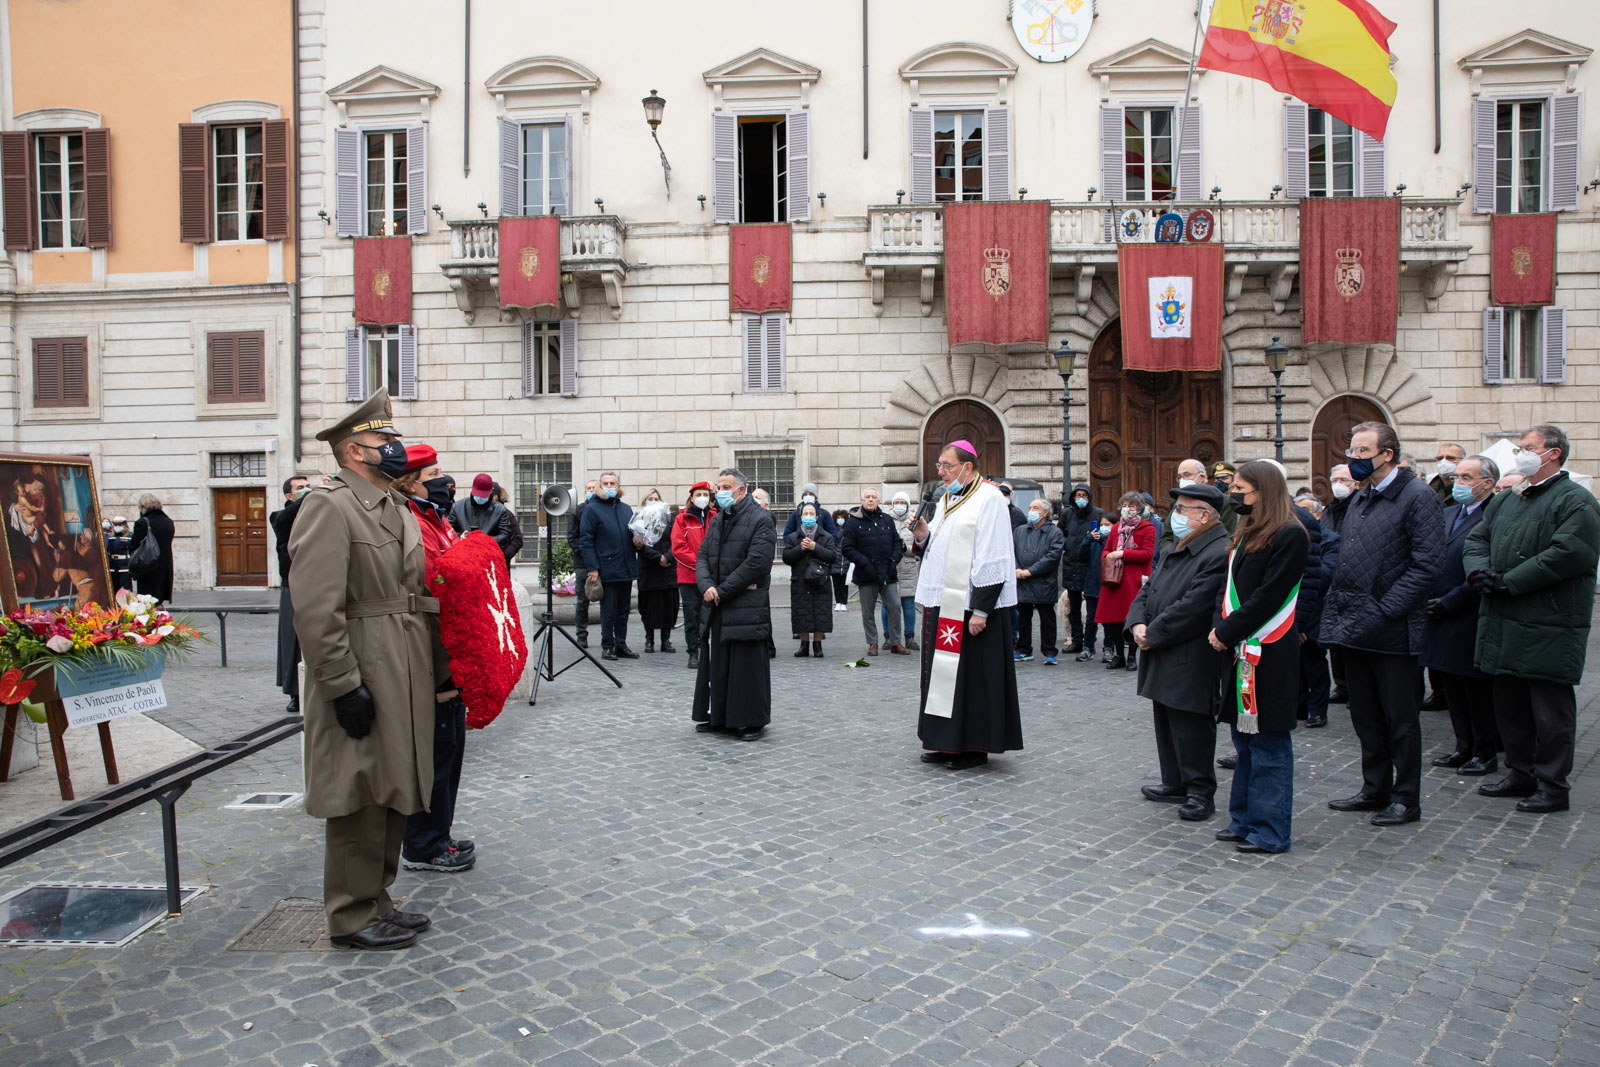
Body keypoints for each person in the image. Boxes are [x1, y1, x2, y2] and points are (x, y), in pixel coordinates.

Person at [289, 388, 444, 951]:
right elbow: (314, 605)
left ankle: (378, 898)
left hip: (403, 660)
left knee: (393, 782)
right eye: (386, 441)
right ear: (356, 451)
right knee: (358, 788)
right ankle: (350, 914)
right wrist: (340, 683)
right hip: (363, 661)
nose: (397, 449)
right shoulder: (329, 506)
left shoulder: (393, 504)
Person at [1465, 426, 1600, 814]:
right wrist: (1479, 573)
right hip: (1505, 619)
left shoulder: (1575, 500)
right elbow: (1477, 540)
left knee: (1550, 712)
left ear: (1553, 454)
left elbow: (1569, 553)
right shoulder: (1508, 499)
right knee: (1510, 707)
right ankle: (1520, 772)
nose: (1520, 454)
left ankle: (1553, 785)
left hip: (1550, 623)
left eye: (1528, 448)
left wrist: (1510, 582)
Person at [1321, 422, 1442, 827]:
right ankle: (1374, 788)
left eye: (1361, 451)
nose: (1353, 458)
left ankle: (1406, 798)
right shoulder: (1361, 497)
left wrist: (1385, 610)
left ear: (1386, 454)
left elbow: (1426, 567)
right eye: (1352, 450)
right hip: (1354, 627)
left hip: (1393, 630)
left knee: (1400, 720)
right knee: (1365, 715)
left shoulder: (1417, 496)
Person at [1208, 461, 1310, 854]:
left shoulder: (1289, 535)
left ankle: (1269, 829)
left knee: (1268, 743)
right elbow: (1229, 589)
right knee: (1244, 740)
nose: (1234, 495)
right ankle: (1243, 819)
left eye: (1240, 489)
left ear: (1263, 491)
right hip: (1238, 649)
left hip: (1269, 649)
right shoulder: (1247, 532)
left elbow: (1268, 596)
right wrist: (1221, 626)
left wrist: (1226, 631)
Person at [391, 444, 475, 875]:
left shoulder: (436, 517)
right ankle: (423, 843)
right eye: (434, 473)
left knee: (451, 746)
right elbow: (432, 573)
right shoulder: (408, 519)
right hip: (428, 647)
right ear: (411, 481)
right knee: (434, 750)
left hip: (449, 646)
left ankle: (439, 832)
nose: (444, 481)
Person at [911, 442, 1022, 769]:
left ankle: (973, 746)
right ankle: (944, 742)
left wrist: (982, 610)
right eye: (939, 465)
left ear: (967, 467)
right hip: (944, 602)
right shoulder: (948, 497)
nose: (940, 472)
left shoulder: (989, 499)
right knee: (942, 677)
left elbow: (995, 554)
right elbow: (943, 546)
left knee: (971, 679)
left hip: (971, 606)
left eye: (946, 465)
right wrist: (922, 535)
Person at [1127, 483, 1231, 821]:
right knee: (1167, 719)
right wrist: (1137, 622)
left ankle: (1200, 791)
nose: (1176, 515)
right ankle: (1175, 781)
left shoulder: (1217, 551)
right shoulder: (1181, 545)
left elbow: (1194, 607)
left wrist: (1153, 633)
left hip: (1190, 652)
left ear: (1203, 515)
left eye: (1183, 509)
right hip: (1162, 646)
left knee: (1191, 723)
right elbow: (1150, 588)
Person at [1419, 455, 1500, 776]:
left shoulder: (1496, 513)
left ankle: (1484, 751)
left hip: (1470, 612)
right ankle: (1462, 746)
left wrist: (1450, 602)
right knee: (1451, 688)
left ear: (1487, 483)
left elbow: (1487, 565)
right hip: (1439, 612)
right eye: (1457, 477)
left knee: (1476, 692)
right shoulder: (1448, 511)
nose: (1459, 483)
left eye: (1467, 477)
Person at [692, 468, 775, 740]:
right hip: (718, 601)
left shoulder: (761, 520)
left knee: (747, 666)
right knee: (720, 664)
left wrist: (722, 590)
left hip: (745, 601)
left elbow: (756, 564)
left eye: (726, 486)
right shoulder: (718, 520)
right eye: (719, 486)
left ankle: (752, 720)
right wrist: (706, 586)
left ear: (742, 489)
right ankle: (720, 717)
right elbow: (702, 555)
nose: (720, 492)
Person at [578, 472, 641, 661]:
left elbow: (632, 535)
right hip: (606, 568)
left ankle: (621, 644)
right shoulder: (592, 509)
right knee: (609, 611)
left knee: (623, 610)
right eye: (605, 483)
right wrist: (593, 568)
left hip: (626, 567)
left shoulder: (626, 509)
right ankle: (608, 646)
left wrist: (638, 542)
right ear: (600, 486)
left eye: (612, 483)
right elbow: (586, 541)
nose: (609, 486)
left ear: (618, 485)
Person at [840, 487, 908, 656]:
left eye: (874, 497)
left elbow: (897, 543)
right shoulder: (853, 522)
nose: (870, 499)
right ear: (862, 500)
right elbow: (847, 548)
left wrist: (893, 561)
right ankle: (873, 643)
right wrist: (864, 563)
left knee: (894, 607)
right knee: (867, 611)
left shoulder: (887, 520)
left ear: (879, 501)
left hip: (888, 573)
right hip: (866, 574)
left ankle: (895, 642)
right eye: (867, 497)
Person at [1094, 492, 1157, 672]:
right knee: (1112, 621)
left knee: (1130, 619)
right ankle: (1118, 655)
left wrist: (1123, 553)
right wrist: (1108, 556)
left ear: (1138, 509)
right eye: (1124, 505)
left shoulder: (1147, 528)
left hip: (1133, 580)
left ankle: (1131, 657)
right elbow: (1105, 551)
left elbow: (1147, 554)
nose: (1127, 509)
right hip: (1114, 580)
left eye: (1131, 506)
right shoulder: (1115, 529)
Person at [1293, 492, 1338, 728]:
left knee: (1315, 665)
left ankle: (1318, 710)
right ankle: (1299, 707)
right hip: (1294, 609)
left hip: (1316, 611)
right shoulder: (1293, 536)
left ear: (1318, 514)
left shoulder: (1332, 540)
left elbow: (1324, 576)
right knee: (1297, 665)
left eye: (1306, 511)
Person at [270, 475, 311, 714]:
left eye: (308, 485)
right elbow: (285, 519)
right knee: (292, 642)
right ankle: (295, 693)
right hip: (292, 585)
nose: (306, 490)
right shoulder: (280, 516)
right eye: (300, 488)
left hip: (313, 582)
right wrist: (309, 496)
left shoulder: (313, 514)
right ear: (289, 496)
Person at [1012, 499, 1064, 664]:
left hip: (1043, 581)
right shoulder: (1020, 531)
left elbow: (1052, 556)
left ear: (1044, 513)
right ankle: (1023, 648)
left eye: (1035, 508)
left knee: (1047, 618)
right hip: (1022, 580)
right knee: (1023, 618)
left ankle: (1049, 651)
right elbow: (1011, 550)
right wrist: (1017, 569)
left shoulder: (1054, 532)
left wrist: (1030, 571)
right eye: (1030, 507)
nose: (1031, 510)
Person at [782, 502, 837, 657]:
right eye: (805, 514)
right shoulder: (793, 537)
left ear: (817, 517)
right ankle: (804, 645)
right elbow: (786, 557)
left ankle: (817, 645)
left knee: (821, 612)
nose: (808, 517)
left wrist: (815, 547)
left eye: (811, 514)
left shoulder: (826, 536)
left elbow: (832, 556)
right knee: (802, 613)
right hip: (800, 581)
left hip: (820, 581)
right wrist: (800, 548)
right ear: (800, 517)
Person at [1323, 463, 1357, 704]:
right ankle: (1342, 685)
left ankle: (1354, 686)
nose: (1339, 484)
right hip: (1330, 579)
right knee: (1334, 638)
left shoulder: (1360, 506)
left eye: (1344, 480)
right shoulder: (1329, 509)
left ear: (1356, 483)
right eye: (1335, 479)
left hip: (1352, 578)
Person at [671, 482, 715, 671]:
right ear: (691, 497)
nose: (702, 497)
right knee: (692, 615)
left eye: (705, 494)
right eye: (698, 494)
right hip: (689, 577)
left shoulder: (716, 517)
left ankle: (707, 651)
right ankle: (693, 652)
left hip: (712, 577)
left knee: (710, 615)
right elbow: (679, 548)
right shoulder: (682, 519)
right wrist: (700, 566)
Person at [1058, 483, 1102, 656]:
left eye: (1084, 495)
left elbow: (1104, 533)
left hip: (1090, 564)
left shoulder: (1098, 513)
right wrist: (1067, 544)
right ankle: (1076, 640)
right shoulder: (1067, 513)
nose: (1081, 499)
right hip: (1071, 563)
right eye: (1078, 495)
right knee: (1074, 607)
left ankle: (1090, 642)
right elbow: (1059, 533)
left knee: (1092, 607)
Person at [633, 489, 679, 654]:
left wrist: (666, 557)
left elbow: (677, 540)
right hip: (649, 568)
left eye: (656, 499)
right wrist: (657, 557)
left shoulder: (669, 519)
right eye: (650, 499)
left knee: (669, 605)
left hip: (668, 568)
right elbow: (638, 545)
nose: (653, 501)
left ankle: (665, 640)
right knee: (649, 606)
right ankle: (649, 640)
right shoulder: (638, 519)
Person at [449, 473, 519, 564]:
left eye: (483, 495)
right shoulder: (457, 507)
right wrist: (460, 538)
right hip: (462, 559)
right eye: (478, 494)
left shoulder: (500, 510)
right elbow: (448, 531)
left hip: (489, 559)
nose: (480, 498)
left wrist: (484, 540)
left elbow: (505, 535)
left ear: (491, 491)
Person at [566, 480, 599, 648]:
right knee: (582, 601)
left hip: (602, 562)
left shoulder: (603, 508)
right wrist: (586, 555)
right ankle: (581, 635)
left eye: (594, 488)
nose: (592, 490)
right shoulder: (578, 510)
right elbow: (572, 537)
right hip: (583, 563)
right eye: (589, 488)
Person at [1078, 508, 1112, 662]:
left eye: (1108, 525)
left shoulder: (1115, 541)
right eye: (1102, 524)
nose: (1104, 527)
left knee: (1109, 620)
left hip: (1109, 585)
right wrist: (1088, 539)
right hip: (1092, 584)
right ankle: (1088, 647)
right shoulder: (1093, 540)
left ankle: (1109, 648)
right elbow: (1081, 556)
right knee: (1091, 619)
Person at [128, 493, 175, 604]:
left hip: (148, 566)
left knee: (146, 601)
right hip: (165, 566)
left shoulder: (143, 522)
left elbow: (133, 545)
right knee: (158, 600)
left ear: (144, 507)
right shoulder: (168, 522)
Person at [889, 491, 922, 649]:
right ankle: (889, 637)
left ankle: (910, 637)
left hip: (908, 567)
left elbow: (920, 546)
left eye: (903, 502)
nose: (900, 505)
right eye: (897, 502)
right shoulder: (886, 520)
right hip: (891, 566)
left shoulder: (914, 521)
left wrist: (905, 548)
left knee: (908, 604)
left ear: (908, 505)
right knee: (888, 605)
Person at [490, 482, 526, 563]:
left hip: (501, 563)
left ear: (496, 496)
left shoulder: (507, 514)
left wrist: (503, 556)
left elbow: (517, 539)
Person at [830, 508, 852, 613]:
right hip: (835, 561)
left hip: (846, 561)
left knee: (844, 584)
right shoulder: (832, 531)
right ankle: (838, 602)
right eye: (838, 518)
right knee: (836, 584)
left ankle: (844, 603)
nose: (840, 520)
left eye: (842, 517)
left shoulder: (849, 531)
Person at [105, 516, 133, 593]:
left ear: (125, 526)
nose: (117, 527)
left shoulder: (130, 536)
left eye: (120, 525)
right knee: (113, 590)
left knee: (126, 591)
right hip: (113, 566)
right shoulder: (109, 536)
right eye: (116, 525)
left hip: (125, 567)